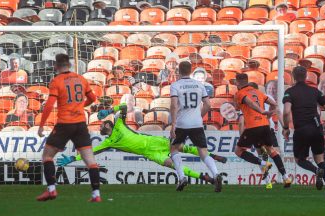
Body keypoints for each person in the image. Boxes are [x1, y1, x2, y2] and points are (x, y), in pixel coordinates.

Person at [56, 104, 227, 185]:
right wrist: (72, 158)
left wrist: (110, 110)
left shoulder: (119, 124)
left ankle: (213, 156)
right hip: (150, 154)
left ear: (108, 124)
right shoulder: (108, 142)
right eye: (100, 125)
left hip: (153, 141)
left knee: (184, 148)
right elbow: (90, 153)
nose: (100, 125)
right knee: (174, 165)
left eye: (102, 123)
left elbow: (124, 107)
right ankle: (208, 179)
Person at [36, 54, 101, 202]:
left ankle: (51, 190)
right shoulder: (81, 79)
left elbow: (49, 105)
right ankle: (96, 194)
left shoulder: (56, 81)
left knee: (47, 156)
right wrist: (80, 106)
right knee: (90, 160)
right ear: (69, 65)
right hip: (80, 124)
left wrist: (41, 126)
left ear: (56, 66)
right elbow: (92, 99)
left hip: (64, 124)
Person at [169, 61, 222, 192]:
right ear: (191, 70)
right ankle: (216, 174)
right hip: (197, 124)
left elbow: (174, 105)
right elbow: (208, 105)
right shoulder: (199, 85)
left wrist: (173, 124)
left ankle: (182, 177)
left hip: (181, 124)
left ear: (179, 71)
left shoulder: (175, 85)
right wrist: (199, 115)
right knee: (203, 151)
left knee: (173, 149)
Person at [282, 66, 325, 196]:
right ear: (306, 76)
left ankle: (316, 171)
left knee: (300, 159)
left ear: (293, 77)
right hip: (317, 129)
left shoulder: (290, 92)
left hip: (302, 130)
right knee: (320, 160)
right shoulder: (315, 91)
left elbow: (287, 111)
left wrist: (286, 128)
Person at [234, 74, 292, 188]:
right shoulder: (259, 93)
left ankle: (267, 180)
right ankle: (286, 177)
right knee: (272, 150)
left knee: (239, 151)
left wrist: (261, 111)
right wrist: (270, 113)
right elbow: (275, 105)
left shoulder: (240, 94)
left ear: (238, 82)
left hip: (252, 127)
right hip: (266, 126)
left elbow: (248, 106)